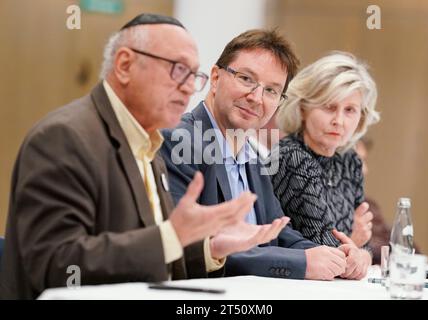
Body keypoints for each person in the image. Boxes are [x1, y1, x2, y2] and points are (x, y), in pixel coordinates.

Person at [0, 14, 286, 299]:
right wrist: (173, 235)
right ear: (125, 65)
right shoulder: (64, 137)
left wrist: (209, 248)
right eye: (177, 70)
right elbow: (58, 263)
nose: (189, 87)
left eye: (192, 76)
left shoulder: (148, 144)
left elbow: (154, 255)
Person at [161, 30, 370, 281]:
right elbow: (194, 247)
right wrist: (301, 263)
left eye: (271, 90)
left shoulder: (255, 156)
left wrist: (338, 255)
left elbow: (277, 231)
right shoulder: (180, 141)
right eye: (246, 79)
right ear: (215, 78)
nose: (256, 98)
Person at [271, 51, 380, 277]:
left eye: (350, 110)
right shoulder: (290, 156)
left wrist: (364, 254)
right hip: (289, 282)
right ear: (303, 108)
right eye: (329, 107)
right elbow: (322, 247)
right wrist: (355, 241)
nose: (338, 121)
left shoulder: (350, 161)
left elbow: (364, 244)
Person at [354, 138, 421, 264]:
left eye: (363, 161)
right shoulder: (329, 205)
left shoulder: (370, 205)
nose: (364, 170)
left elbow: (408, 249)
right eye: (358, 160)